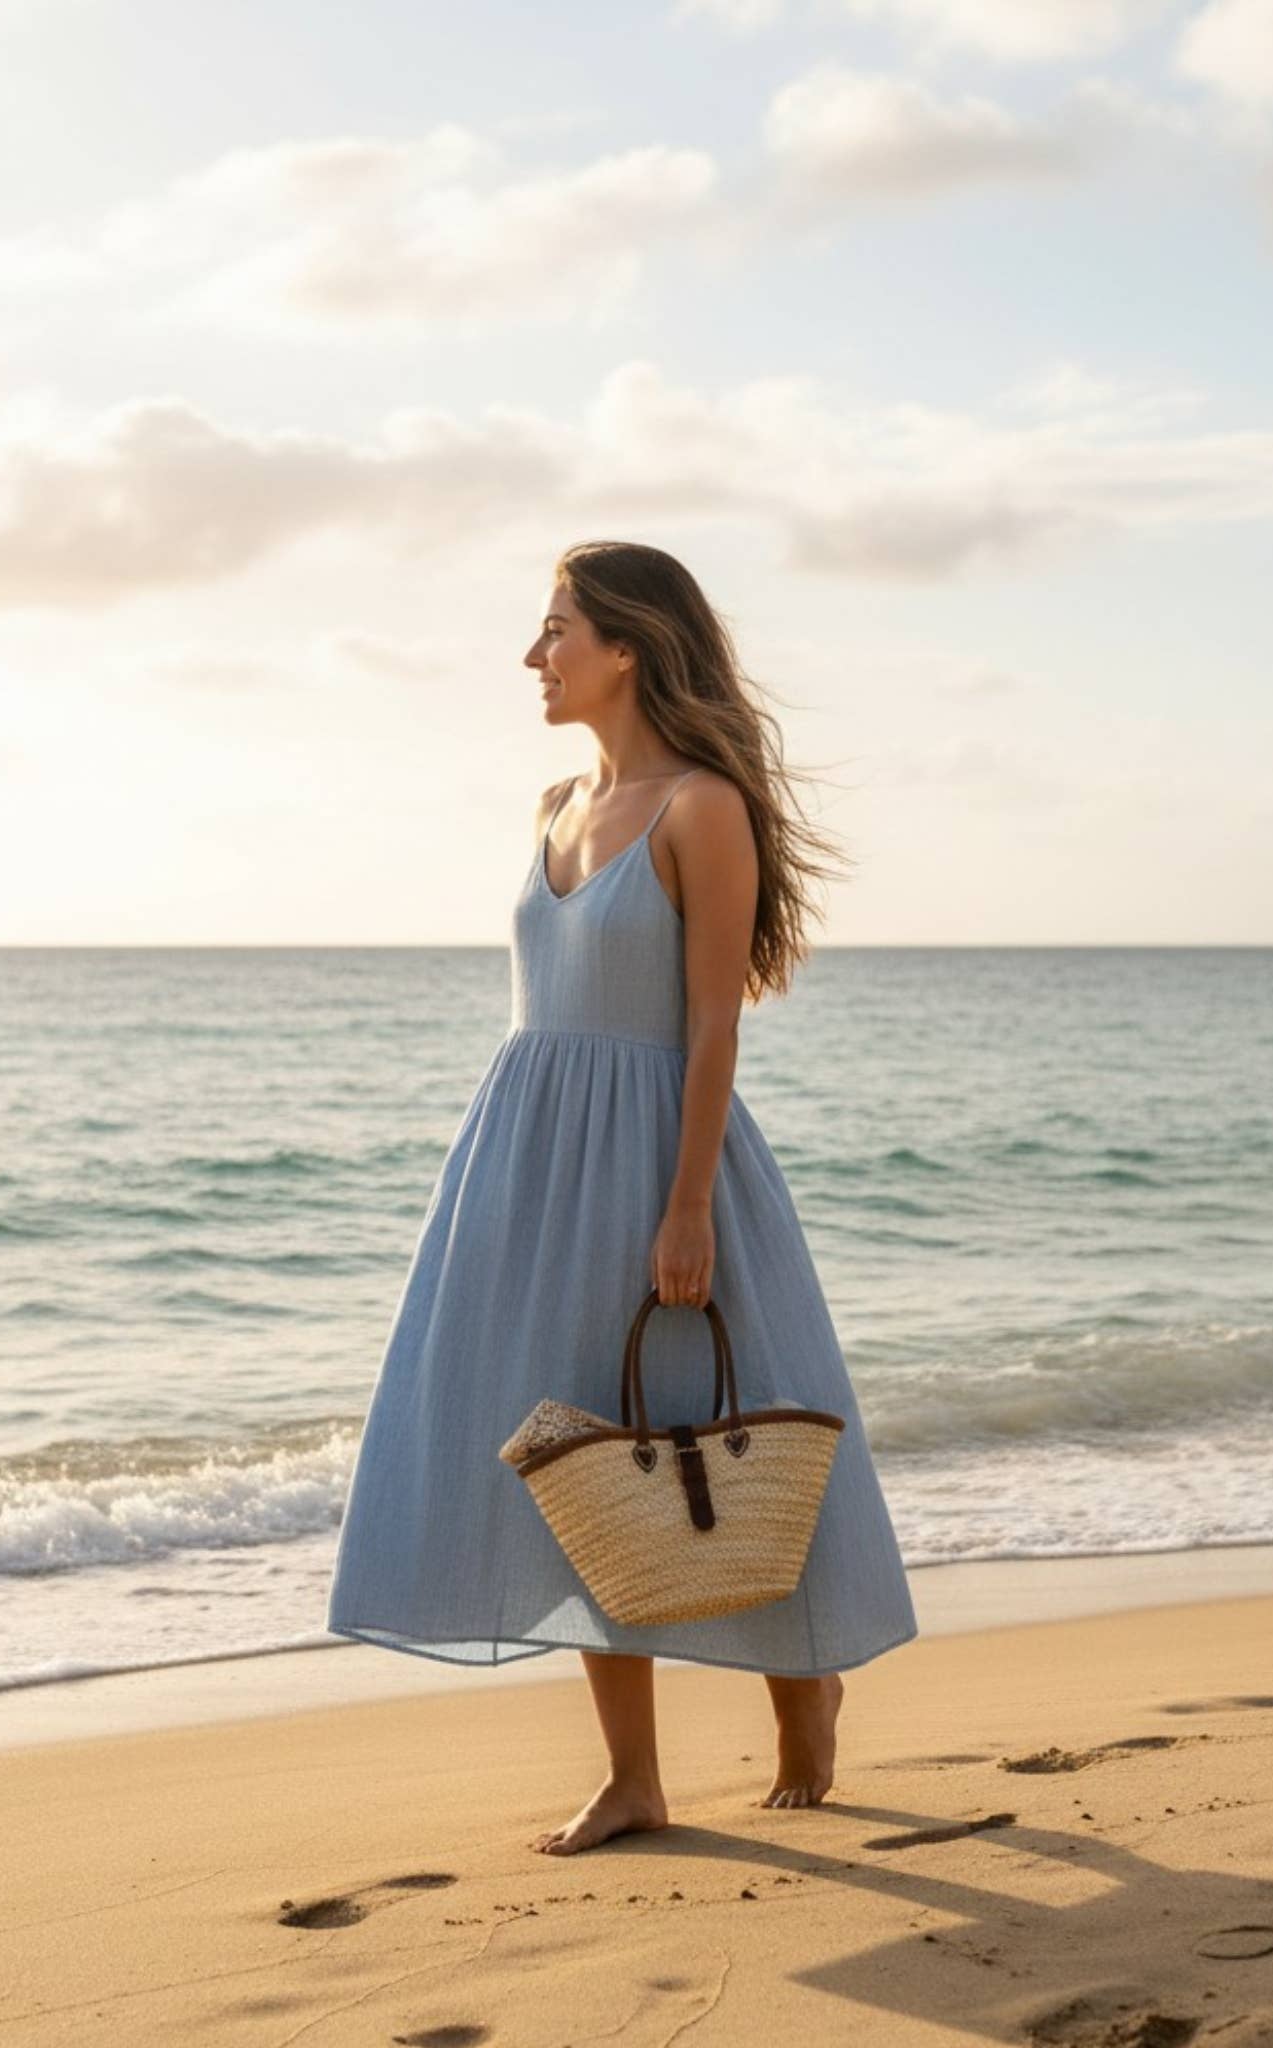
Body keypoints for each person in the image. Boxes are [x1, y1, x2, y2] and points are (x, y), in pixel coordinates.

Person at [324, 539, 918, 1855]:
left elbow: (713, 1028)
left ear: (629, 646)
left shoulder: (702, 810)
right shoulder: (553, 802)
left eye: (554, 632)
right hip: (529, 1169)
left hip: (664, 1156)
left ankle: (804, 1683)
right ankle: (634, 1777)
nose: (534, 658)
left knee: (731, 1424)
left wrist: (689, 1207)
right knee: (576, 1460)